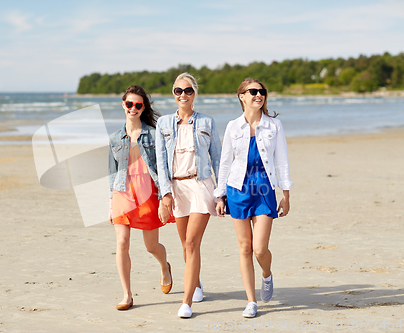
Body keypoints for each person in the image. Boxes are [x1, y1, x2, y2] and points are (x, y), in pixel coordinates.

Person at [215, 78, 293, 318]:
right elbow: (225, 162)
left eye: (262, 92)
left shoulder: (274, 126)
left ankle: (267, 275)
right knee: (245, 247)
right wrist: (220, 196)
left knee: (260, 249)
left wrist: (286, 194)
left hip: (264, 188)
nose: (258, 95)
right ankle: (251, 301)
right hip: (237, 189)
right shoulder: (232, 127)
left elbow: (282, 160)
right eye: (253, 91)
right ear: (242, 96)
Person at [156, 73, 221, 318]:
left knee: (193, 242)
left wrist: (220, 192)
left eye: (188, 90)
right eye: (178, 90)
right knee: (184, 244)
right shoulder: (163, 124)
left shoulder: (207, 122)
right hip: (176, 188)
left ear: (195, 93)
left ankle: (186, 303)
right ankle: (197, 283)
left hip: (201, 184)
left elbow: (218, 158)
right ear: (173, 94)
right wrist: (165, 195)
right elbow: (161, 163)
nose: (183, 94)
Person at [108, 85, 175, 311]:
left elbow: (163, 168)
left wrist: (165, 197)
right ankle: (127, 294)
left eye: (138, 105)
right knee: (122, 242)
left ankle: (164, 266)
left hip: (147, 192)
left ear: (143, 107)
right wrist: (110, 203)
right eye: (129, 104)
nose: (133, 108)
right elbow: (112, 172)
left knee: (151, 246)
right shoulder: (115, 138)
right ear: (123, 105)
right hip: (122, 193)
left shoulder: (154, 135)